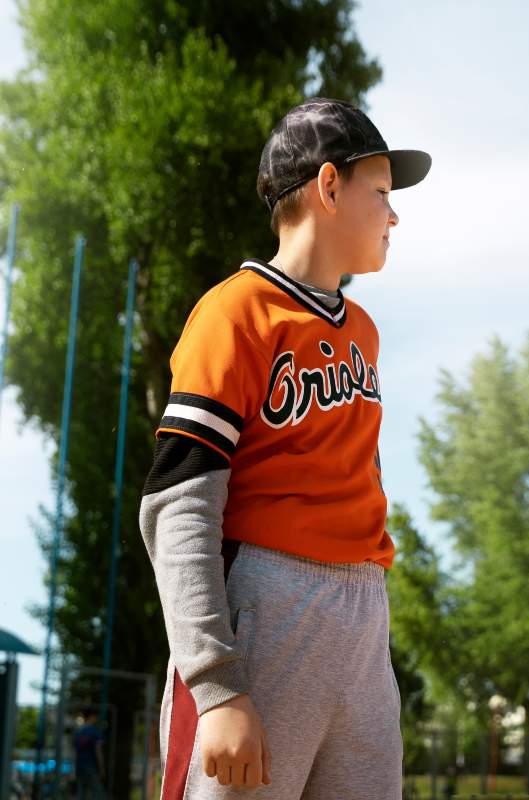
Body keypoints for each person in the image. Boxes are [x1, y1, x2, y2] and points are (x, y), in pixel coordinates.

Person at [139, 97, 431, 799]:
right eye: (381, 192)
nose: (394, 215)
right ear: (328, 186)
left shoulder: (363, 332)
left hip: (362, 615)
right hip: (268, 610)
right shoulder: (232, 313)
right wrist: (216, 685)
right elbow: (179, 506)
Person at [72, 707, 104, 799]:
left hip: (79, 765)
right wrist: (101, 767)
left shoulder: (79, 732)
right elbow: (98, 751)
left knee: (82, 792)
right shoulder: (95, 732)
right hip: (91, 765)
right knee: (97, 791)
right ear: (92, 717)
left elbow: (75, 751)